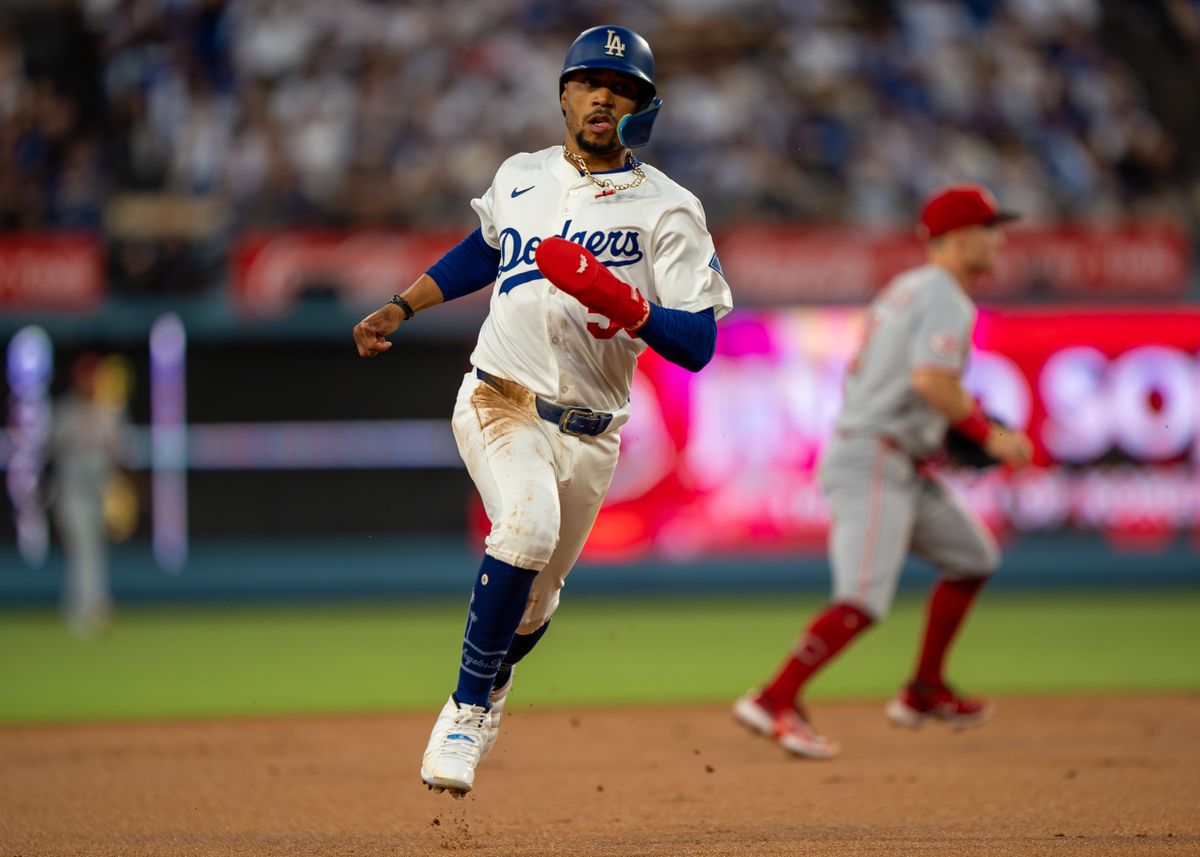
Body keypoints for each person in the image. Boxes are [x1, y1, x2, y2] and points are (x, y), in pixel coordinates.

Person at [352, 25, 732, 795]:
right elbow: (485, 247)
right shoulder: (521, 175)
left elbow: (698, 343)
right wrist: (404, 303)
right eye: (589, 82)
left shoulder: (669, 208)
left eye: (621, 88)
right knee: (525, 528)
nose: (603, 97)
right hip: (499, 396)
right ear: (564, 94)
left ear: (643, 107)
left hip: (593, 433)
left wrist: (621, 300)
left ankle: (492, 681)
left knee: (537, 602)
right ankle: (466, 709)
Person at [733, 184, 1033, 758]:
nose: (998, 240)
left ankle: (925, 689)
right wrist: (987, 434)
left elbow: (886, 378)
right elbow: (932, 380)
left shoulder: (905, 288)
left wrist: (934, 432)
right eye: (990, 229)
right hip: (874, 457)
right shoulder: (945, 297)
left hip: (897, 456)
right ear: (960, 237)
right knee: (862, 599)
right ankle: (773, 699)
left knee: (973, 557)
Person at [50, 354, 128, 640]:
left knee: (94, 549)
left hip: (99, 491)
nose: (89, 382)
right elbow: (53, 448)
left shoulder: (109, 411)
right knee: (82, 548)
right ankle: (89, 608)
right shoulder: (65, 411)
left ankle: (86, 603)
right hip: (72, 491)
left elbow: (118, 451)